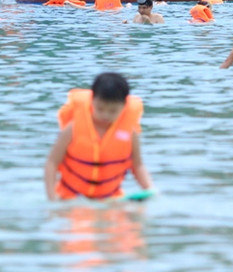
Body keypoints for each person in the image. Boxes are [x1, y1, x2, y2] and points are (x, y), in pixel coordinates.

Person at [44, 72, 154, 201]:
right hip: (70, 199)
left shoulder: (130, 132)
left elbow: (138, 165)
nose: (106, 115)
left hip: (111, 200)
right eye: (100, 109)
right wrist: (52, 197)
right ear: (92, 101)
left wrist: (149, 189)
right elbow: (52, 162)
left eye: (113, 111)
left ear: (124, 106)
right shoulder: (73, 128)